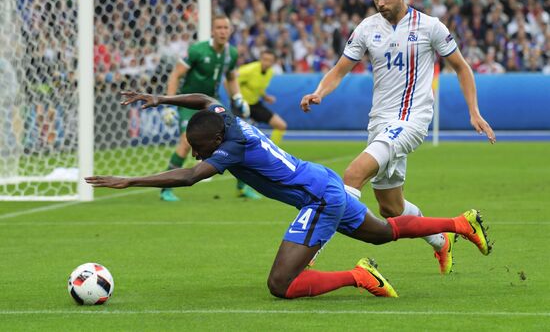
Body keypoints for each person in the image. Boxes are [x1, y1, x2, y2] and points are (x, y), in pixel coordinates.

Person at [86, 91, 492, 299]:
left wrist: (131, 180)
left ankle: (359, 275)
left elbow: (191, 177)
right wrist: (161, 100)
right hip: (323, 181)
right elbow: (205, 101)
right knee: (383, 232)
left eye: (202, 147)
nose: (198, 153)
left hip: (319, 199)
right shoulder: (224, 121)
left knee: (281, 284)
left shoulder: (231, 147)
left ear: (214, 140)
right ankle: (459, 223)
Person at [300, 0, 496, 275]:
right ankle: (441, 241)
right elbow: (339, 70)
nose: (380, 3)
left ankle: (308, 253)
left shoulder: (429, 26)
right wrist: (319, 91)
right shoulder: (366, 29)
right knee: (391, 208)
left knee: (351, 175)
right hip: (380, 123)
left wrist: (474, 111)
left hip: (411, 122)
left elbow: (461, 67)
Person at [161, 14, 251, 202]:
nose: (222, 31)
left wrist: (238, 97)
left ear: (230, 31)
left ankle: (242, 187)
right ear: (212, 30)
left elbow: (232, 78)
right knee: (186, 143)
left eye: (226, 28)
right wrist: (169, 104)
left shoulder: (231, 53)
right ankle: (166, 188)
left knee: (236, 139)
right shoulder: (197, 51)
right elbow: (176, 75)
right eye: (219, 28)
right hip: (190, 102)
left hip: (212, 103)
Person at [235, 50, 287, 198]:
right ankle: (242, 186)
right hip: (242, 106)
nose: (266, 63)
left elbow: (257, 88)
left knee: (281, 125)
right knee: (243, 145)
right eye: (264, 59)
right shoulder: (248, 70)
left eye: (269, 60)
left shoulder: (269, 72)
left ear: (273, 62)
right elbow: (229, 81)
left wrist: (266, 96)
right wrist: (237, 100)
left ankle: (270, 151)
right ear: (260, 59)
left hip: (255, 104)